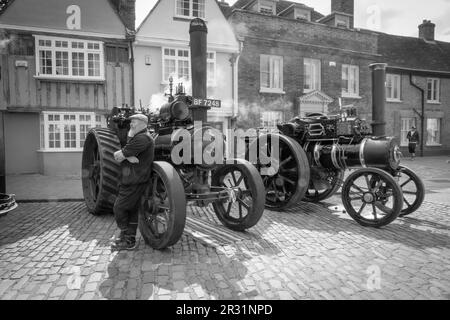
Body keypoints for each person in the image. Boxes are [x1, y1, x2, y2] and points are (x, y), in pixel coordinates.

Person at [111, 113, 154, 251]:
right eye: (130, 122)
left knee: (119, 208)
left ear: (142, 123)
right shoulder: (140, 137)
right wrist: (129, 157)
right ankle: (129, 240)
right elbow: (122, 154)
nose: (131, 124)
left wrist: (124, 155)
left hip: (134, 180)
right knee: (132, 210)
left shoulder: (141, 138)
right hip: (134, 179)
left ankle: (125, 234)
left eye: (133, 122)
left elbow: (117, 156)